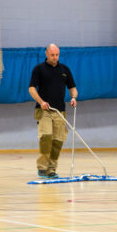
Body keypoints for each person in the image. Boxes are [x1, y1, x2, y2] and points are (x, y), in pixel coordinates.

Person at [28, 43, 78, 178]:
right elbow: (31, 88)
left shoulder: (65, 69)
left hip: (60, 111)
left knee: (58, 141)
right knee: (46, 137)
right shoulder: (39, 69)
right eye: (52, 55)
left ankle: (51, 169)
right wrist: (41, 102)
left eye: (57, 55)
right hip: (44, 110)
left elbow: (73, 88)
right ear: (46, 54)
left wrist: (73, 97)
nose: (55, 57)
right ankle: (42, 168)